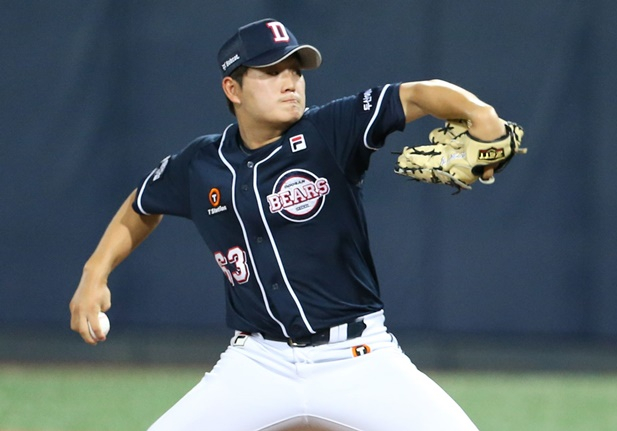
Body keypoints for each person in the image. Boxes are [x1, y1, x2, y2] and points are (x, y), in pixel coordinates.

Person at [70, 18, 506, 430]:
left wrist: (479, 111)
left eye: (295, 70)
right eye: (271, 70)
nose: (290, 81)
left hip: (358, 357)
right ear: (232, 88)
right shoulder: (201, 163)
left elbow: (415, 95)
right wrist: (95, 272)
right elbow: (144, 203)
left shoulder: (330, 130)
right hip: (258, 363)